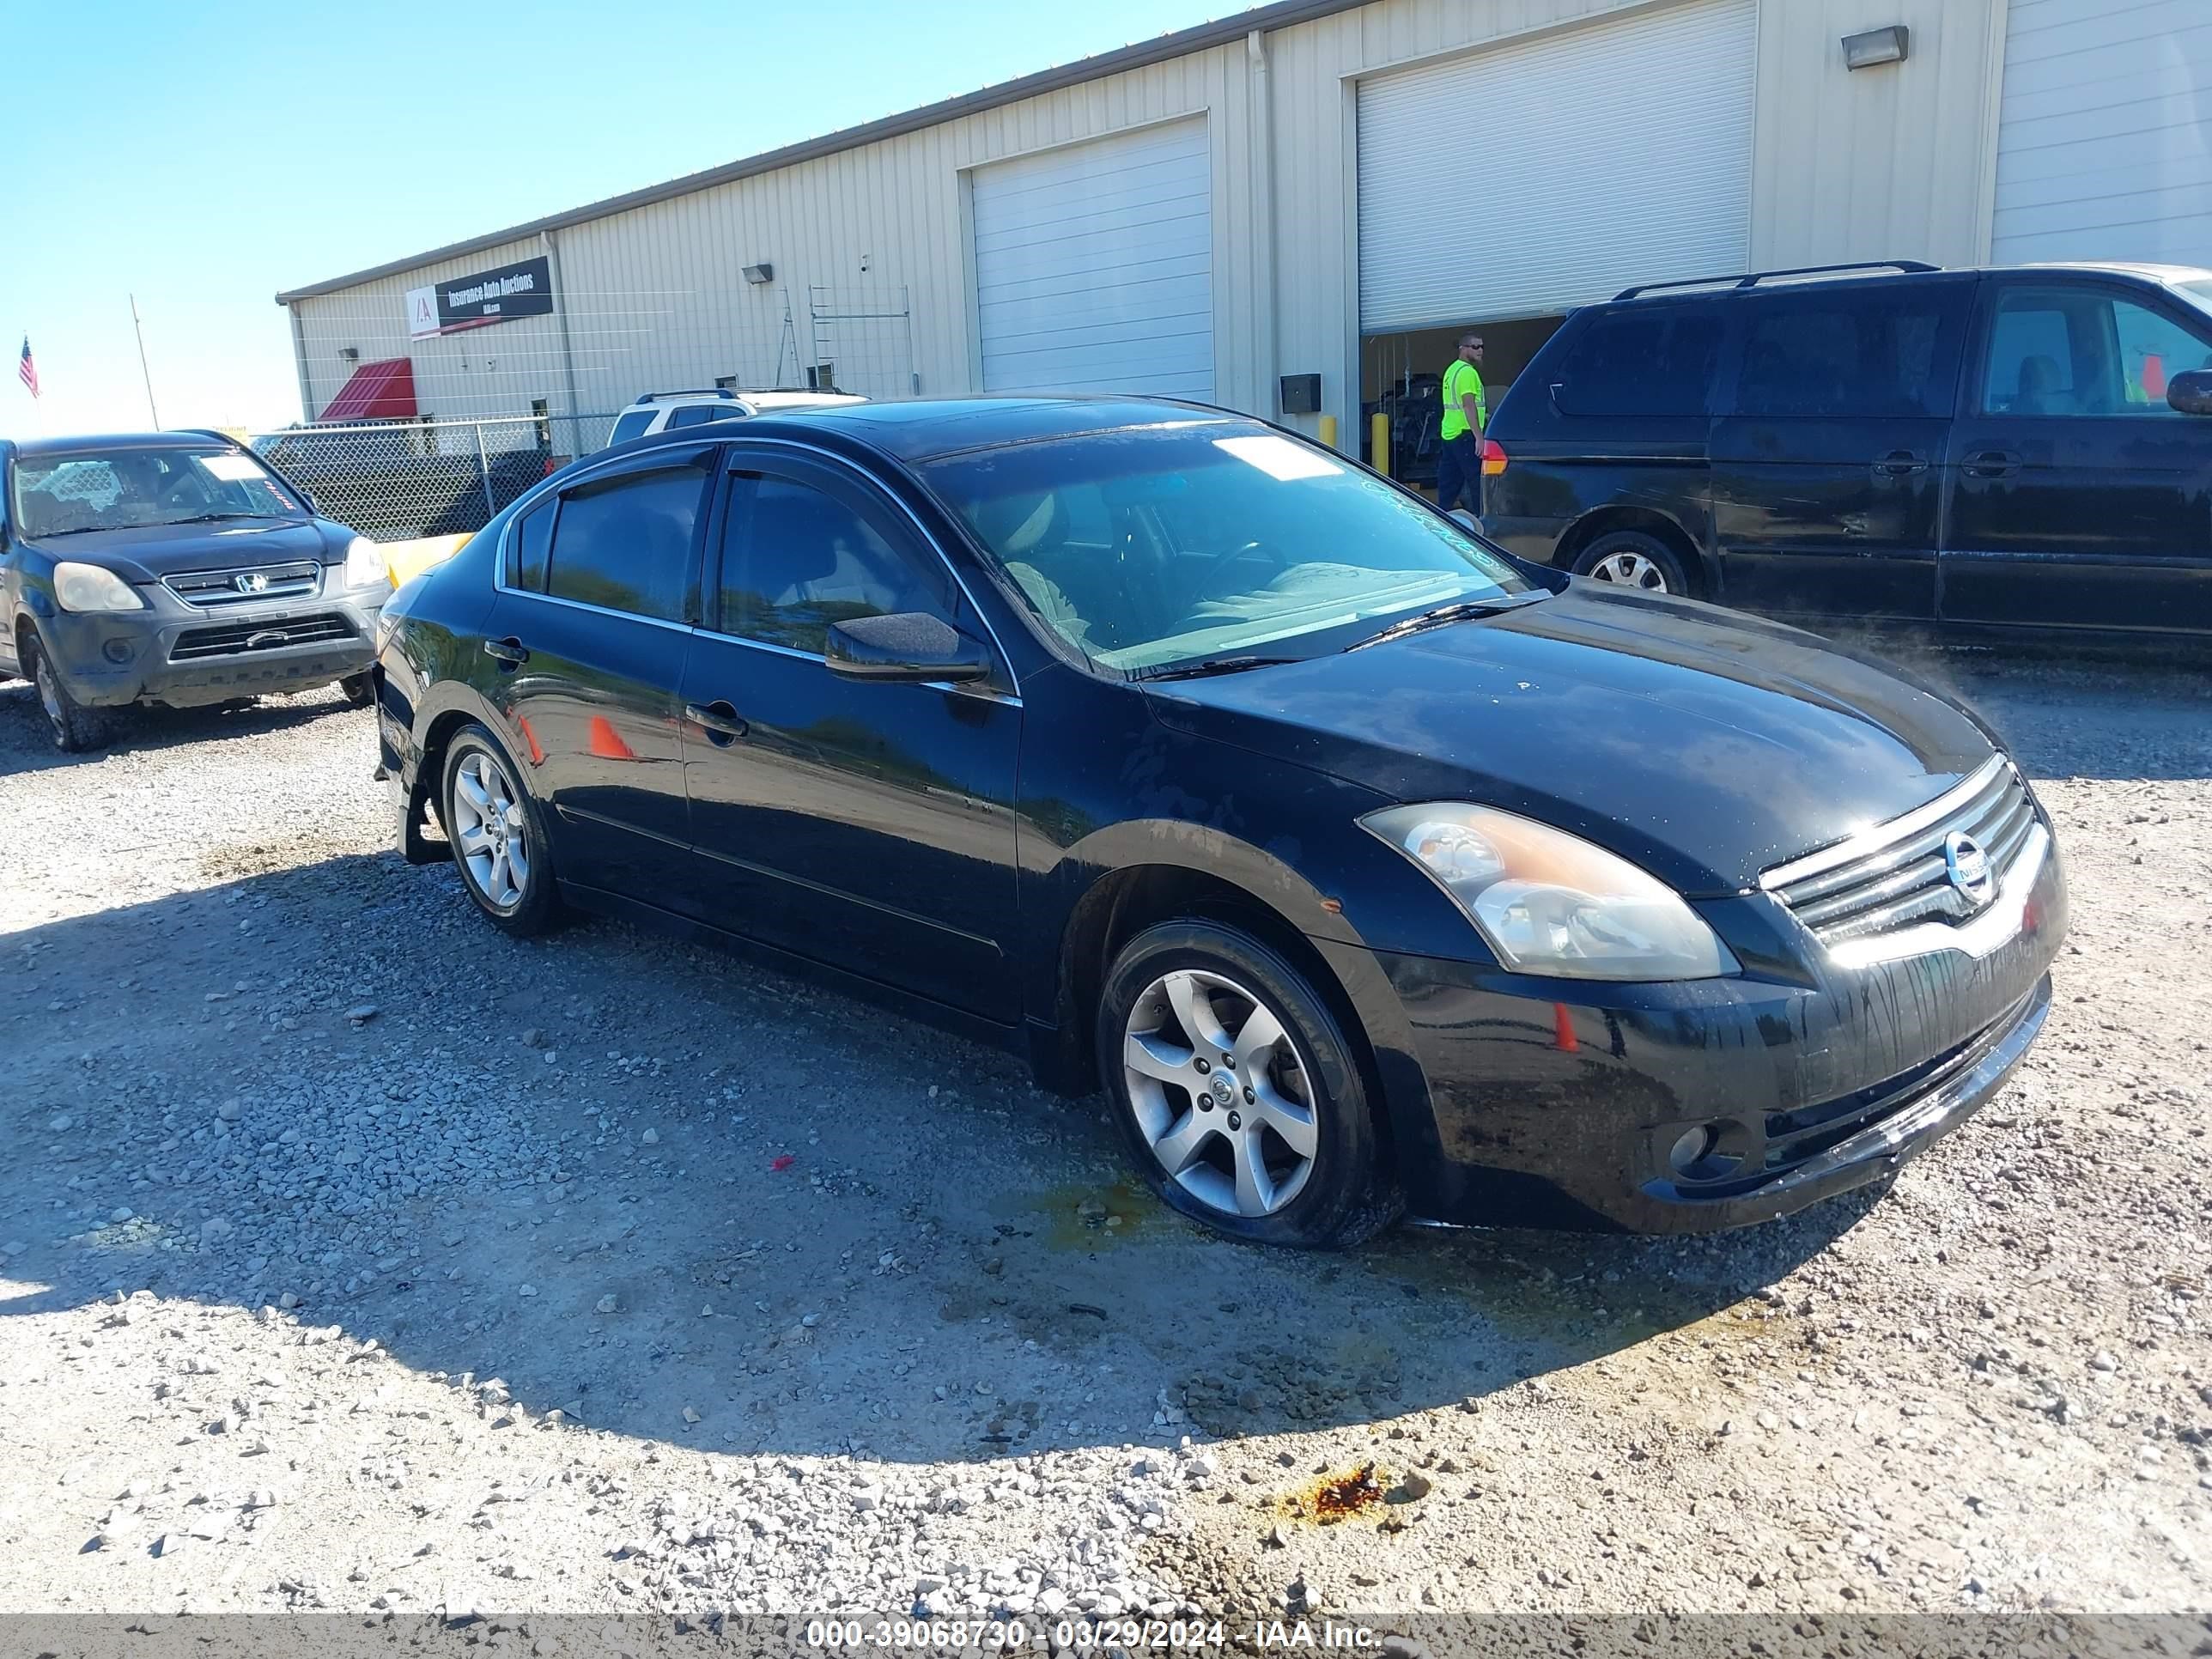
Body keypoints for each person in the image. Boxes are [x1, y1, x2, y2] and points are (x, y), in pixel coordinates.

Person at [1435, 331, 1487, 519]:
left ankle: (1441, 517)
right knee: (1476, 481)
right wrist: (1479, 438)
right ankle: (1482, 522)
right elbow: (1468, 404)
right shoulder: (1467, 373)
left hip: (1450, 433)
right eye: (1475, 347)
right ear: (1463, 349)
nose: (1480, 350)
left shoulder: (1451, 370)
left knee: (1449, 482)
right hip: (1466, 434)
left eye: (1482, 346)